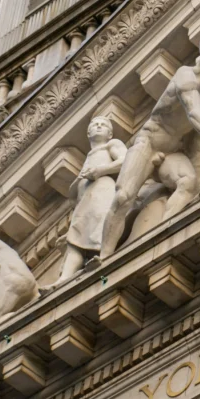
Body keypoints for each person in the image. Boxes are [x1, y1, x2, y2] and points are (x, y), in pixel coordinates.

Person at [99, 34, 200, 259]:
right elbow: (195, 116)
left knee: (188, 183)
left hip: (172, 151)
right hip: (149, 143)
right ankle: (103, 258)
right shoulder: (186, 77)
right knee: (123, 196)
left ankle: (162, 234)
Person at [46, 117, 126, 291]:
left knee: (100, 222)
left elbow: (126, 160)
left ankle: (102, 255)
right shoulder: (90, 155)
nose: (98, 126)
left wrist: (100, 171)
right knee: (75, 237)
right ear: (88, 133)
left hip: (103, 191)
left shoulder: (112, 145)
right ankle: (64, 278)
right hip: (85, 202)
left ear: (110, 133)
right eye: (95, 125)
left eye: (103, 125)